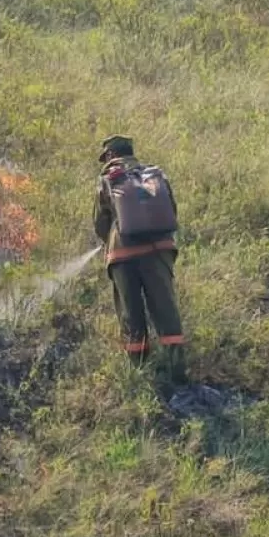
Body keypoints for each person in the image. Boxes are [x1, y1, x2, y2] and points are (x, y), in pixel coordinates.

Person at [92, 134, 187, 382]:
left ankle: (140, 371)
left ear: (111, 155)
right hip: (160, 250)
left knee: (131, 312)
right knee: (166, 309)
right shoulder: (155, 176)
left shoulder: (108, 180)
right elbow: (172, 211)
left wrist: (111, 240)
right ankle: (176, 369)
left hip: (123, 256)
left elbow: (100, 224)